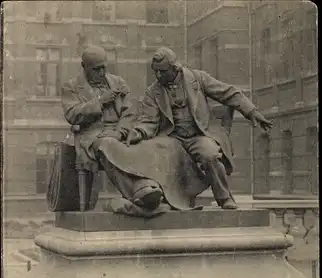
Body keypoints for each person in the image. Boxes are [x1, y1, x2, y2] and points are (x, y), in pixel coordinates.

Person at [127, 47, 272, 209]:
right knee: (157, 153)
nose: (158, 76)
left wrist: (251, 111)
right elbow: (148, 121)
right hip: (172, 139)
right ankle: (164, 198)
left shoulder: (198, 78)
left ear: (175, 68)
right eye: (156, 72)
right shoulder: (153, 92)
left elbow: (228, 92)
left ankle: (224, 198)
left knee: (210, 155)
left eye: (163, 71)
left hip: (199, 135)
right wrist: (138, 132)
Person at [61, 44, 163, 210]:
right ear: (84, 67)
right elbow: (72, 114)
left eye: (104, 68)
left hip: (118, 132)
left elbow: (129, 112)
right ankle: (137, 192)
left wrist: (121, 131)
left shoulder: (117, 82)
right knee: (107, 145)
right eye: (96, 69)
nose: (102, 73)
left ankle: (151, 187)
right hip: (91, 136)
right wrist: (101, 102)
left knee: (146, 144)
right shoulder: (71, 87)